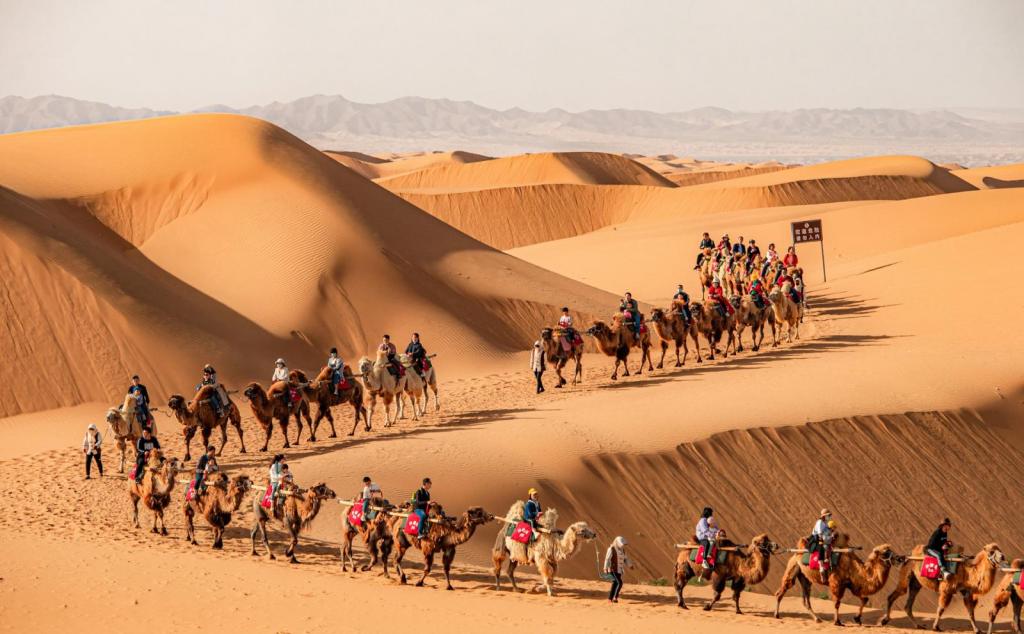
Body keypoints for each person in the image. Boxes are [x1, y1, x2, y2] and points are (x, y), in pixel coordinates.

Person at [603, 536, 631, 603]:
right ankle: (615, 597)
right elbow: (607, 559)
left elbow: (625, 559)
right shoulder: (611, 549)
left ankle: (610, 599)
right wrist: (605, 568)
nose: (622, 546)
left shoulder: (622, 551)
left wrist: (630, 565)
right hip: (613, 569)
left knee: (615, 583)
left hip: (619, 570)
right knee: (620, 583)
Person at [809, 509, 834, 582]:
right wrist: (827, 539)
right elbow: (820, 535)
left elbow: (827, 531)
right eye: (828, 515)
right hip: (816, 539)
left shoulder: (825, 522)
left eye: (830, 515)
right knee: (822, 548)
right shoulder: (819, 523)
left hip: (824, 538)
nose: (829, 517)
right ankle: (821, 568)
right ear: (824, 516)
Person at [695, 507, 720, 572]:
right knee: (707, 543)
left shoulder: (709, 519)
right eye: (711, 513)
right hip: (702, 537)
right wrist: (713, 535)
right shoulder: (703, 520)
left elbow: (715, 526)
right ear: (708, 513)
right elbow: (705, 531)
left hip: (708, 536)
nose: (712, 514)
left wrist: (719, 532)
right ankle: (704, 560)